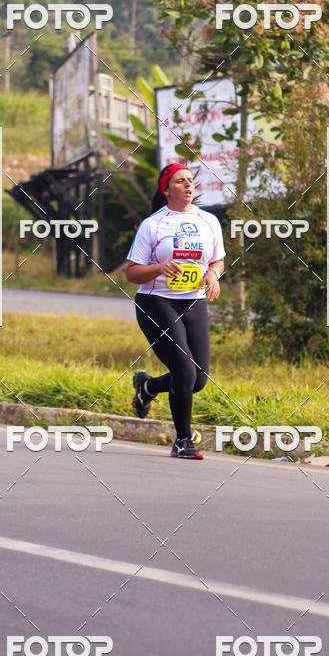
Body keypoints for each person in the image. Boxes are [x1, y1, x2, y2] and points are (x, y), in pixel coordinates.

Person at [125, 162, 225, 460]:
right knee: (184, 369)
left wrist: (214, 276)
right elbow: (132, 273)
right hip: (157, 302)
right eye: (180, 181)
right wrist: (159, 267)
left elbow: (217, 261)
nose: (188, 185)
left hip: (193, 302)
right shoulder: (153, 225)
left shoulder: (209, 221)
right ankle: (183, 440)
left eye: (190, 180)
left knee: (198, 379)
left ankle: (147, 386)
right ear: (166, 189)